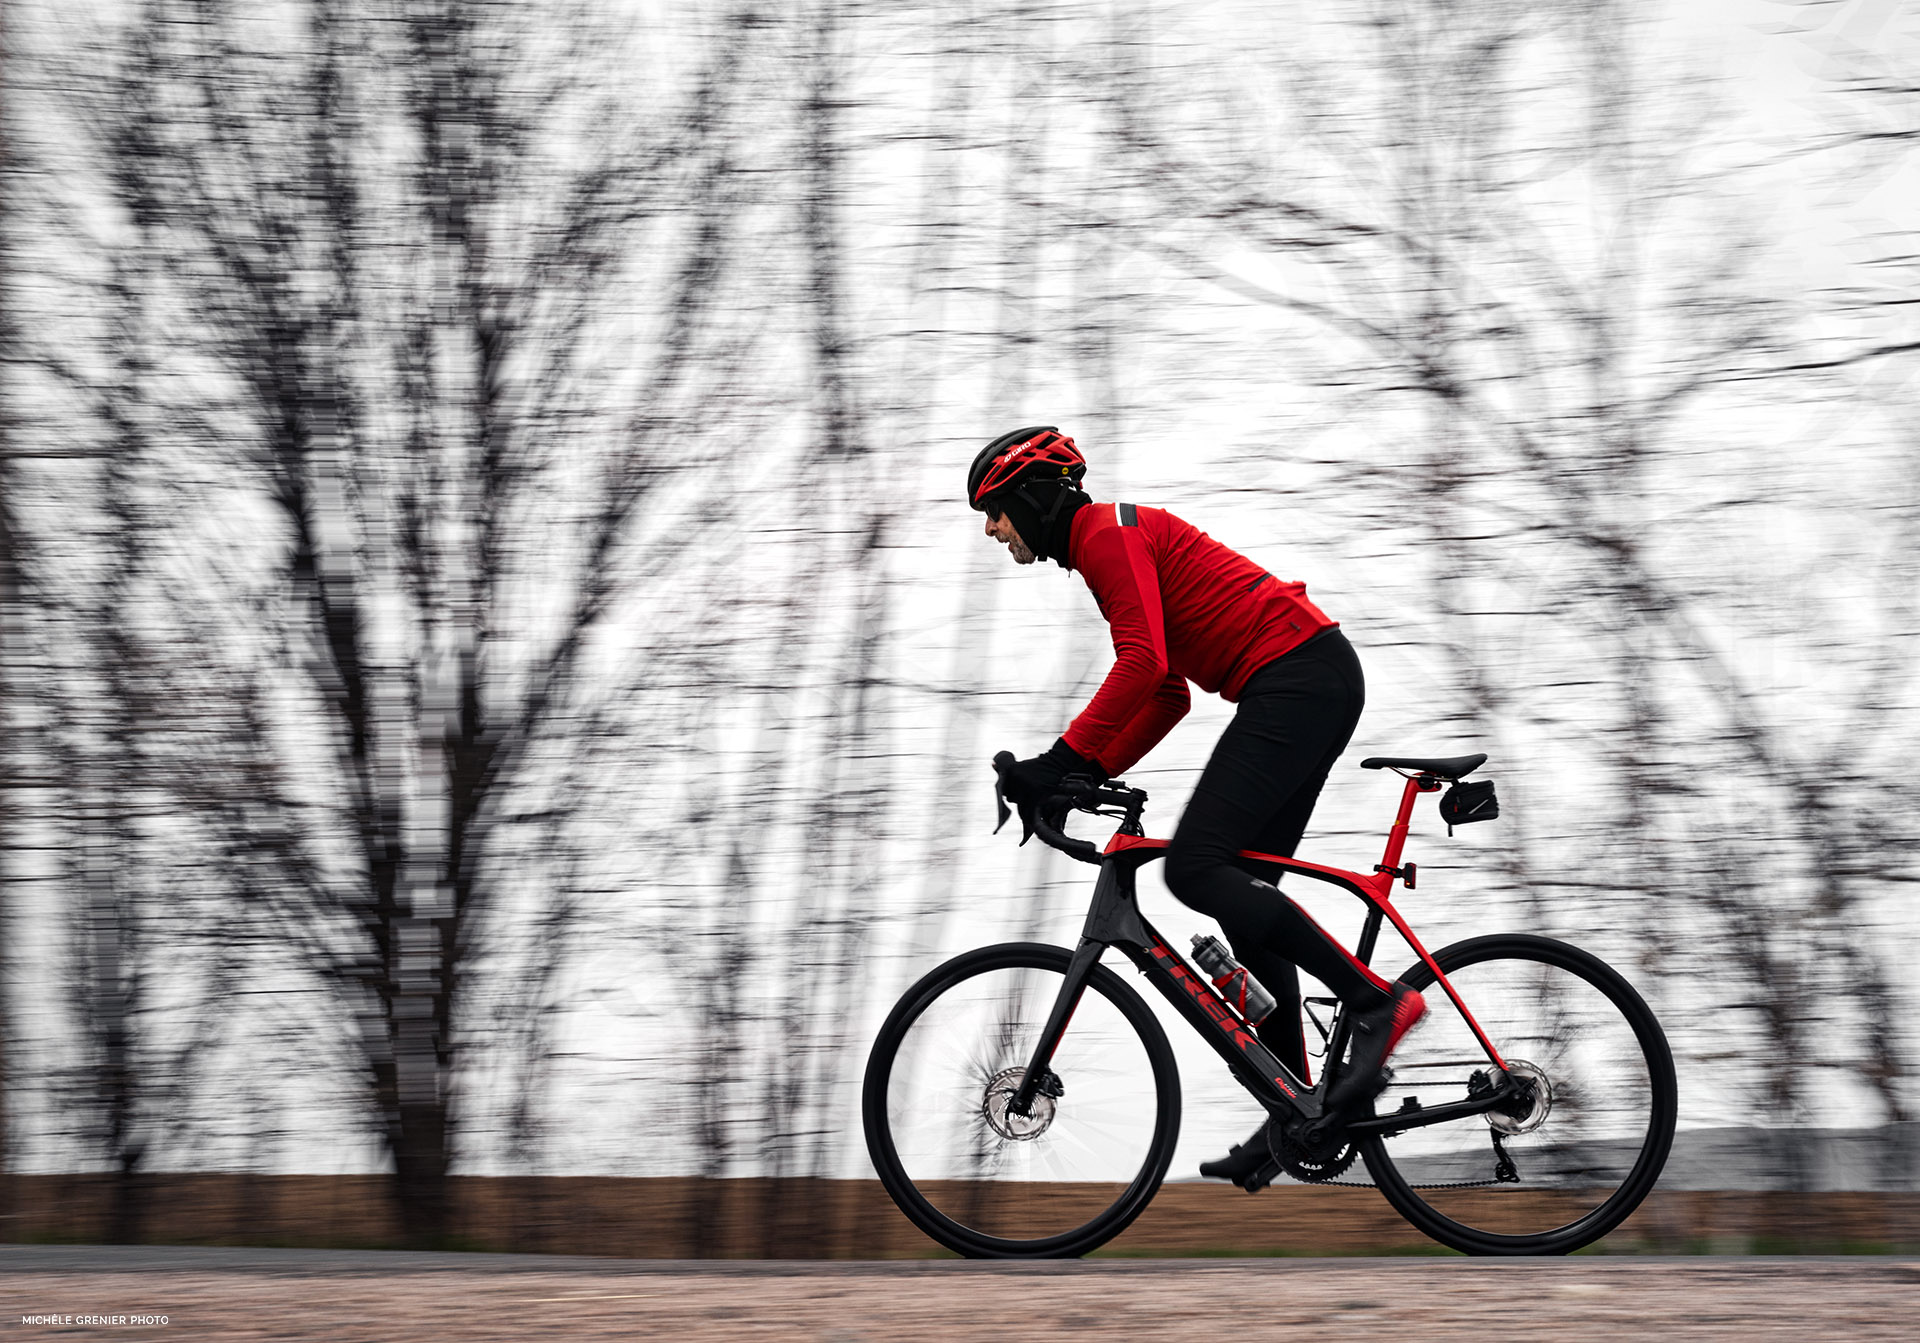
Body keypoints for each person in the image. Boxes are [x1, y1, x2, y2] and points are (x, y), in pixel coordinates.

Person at [970, 425, 1426, 1191]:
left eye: (994, 509)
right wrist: (1089, 773)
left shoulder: (1104, 534)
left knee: (1193, 869)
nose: (990, 528)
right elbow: (1169, 691)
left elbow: (1142, 661)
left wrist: (1063, 760)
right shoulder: (1105, 545)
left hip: (1297, 677)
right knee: (1243, 896)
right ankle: (1295, 1112)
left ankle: (1377, 1003)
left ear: (1033, 496)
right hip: (1306, 679)